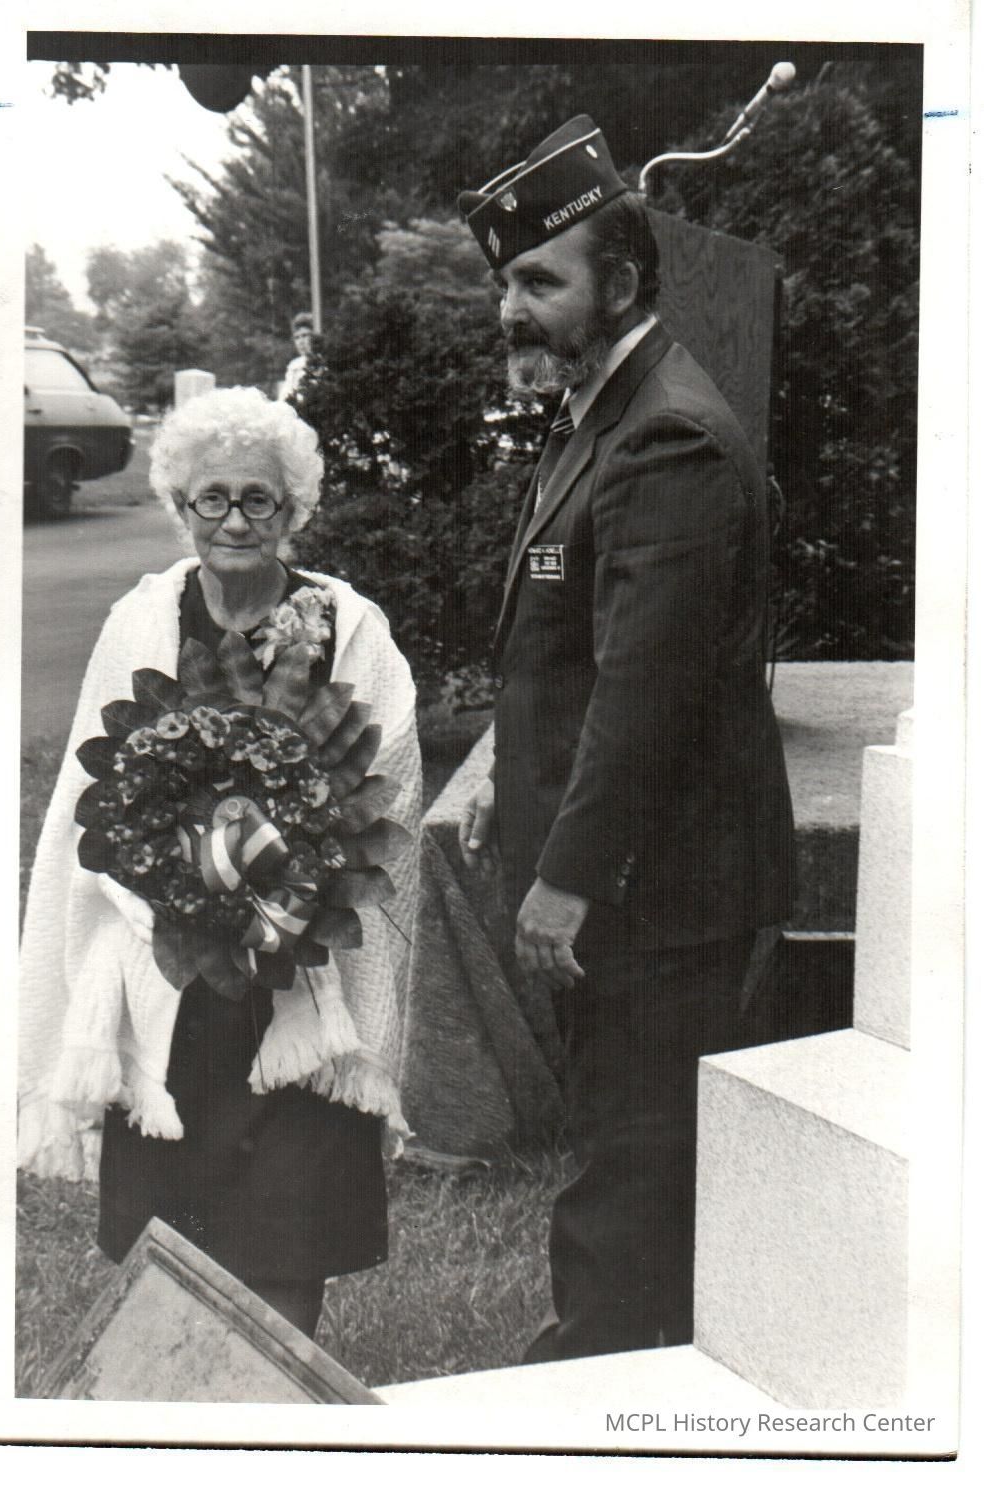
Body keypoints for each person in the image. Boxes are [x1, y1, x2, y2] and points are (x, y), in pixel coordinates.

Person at [457, 116, 794, 1362]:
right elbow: (570, 650)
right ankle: (621, 1355)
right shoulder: (602, 409)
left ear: (624, 280)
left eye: (540, 281)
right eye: (506, 282)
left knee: (629, 1175)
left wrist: (569, 876)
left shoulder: (665, 435)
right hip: (642, 885)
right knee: (626, 1152)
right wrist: (509, 777)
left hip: (658, 894)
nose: (513, 309)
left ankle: (598, 1386)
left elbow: (647, 696)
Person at [19, 386, 421, 1338]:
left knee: (291, 1227)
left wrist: (291, 869)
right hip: (173, 971)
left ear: (292, 508)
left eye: (258, 499)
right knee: (168, 1235)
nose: (235, 520)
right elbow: (92, 791)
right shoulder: (141, 618)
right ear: (180, 504)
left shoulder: (347, 623)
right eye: (212, 498)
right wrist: (175, 877)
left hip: (302, 972)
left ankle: (275, 1395)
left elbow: (392, 777)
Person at [279, 312, 314, 405]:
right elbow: (284, 397)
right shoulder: (294, 366)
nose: (301, 342)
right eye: (297, 338)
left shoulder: (323, 362)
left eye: (305, 335)